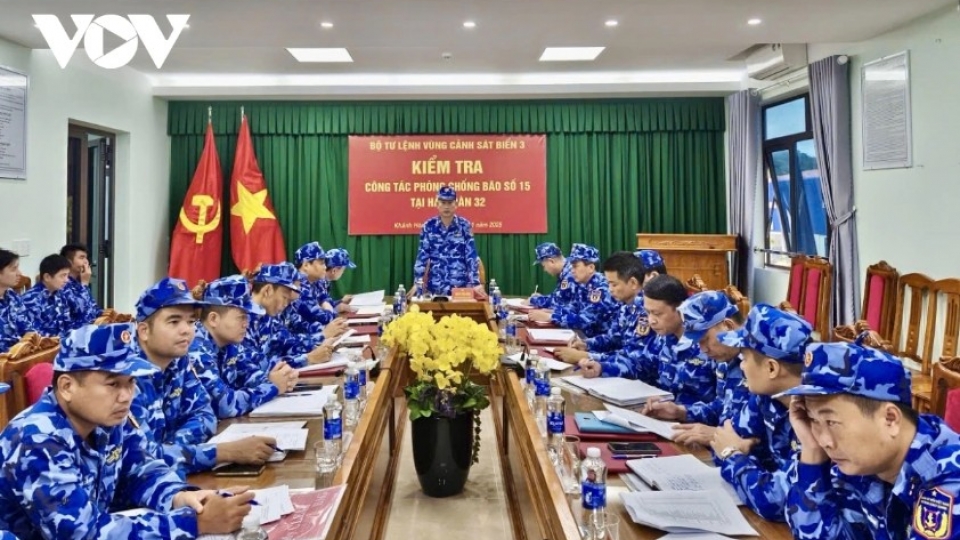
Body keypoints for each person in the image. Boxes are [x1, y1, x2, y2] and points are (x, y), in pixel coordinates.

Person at [0, 323, 254, 538]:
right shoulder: (36, 439)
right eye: (113, 384)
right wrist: (194, 523)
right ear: (66, 387)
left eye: (131, 382)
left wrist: (181, 497)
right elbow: (81, 533)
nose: (126, 396)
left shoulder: (108, 418)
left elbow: (142, 469)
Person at [783, 340, 960, 539]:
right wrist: (812, 451)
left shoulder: (947, 483)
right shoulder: (861, 461)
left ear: (890, 419)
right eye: (814, 420)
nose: (825, 441)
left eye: (832, 422)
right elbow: (815, 534)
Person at [130, 278, 278, 476]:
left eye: (191, 321)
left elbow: (205, 415)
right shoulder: (124, 377)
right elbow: (144, 459)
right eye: (174, 321)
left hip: (170, 479)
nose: (186, 329)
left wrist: (172, 447)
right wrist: (224, 452)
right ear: (144, 331)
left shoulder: (178, 360)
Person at [707, 303, 811, 521]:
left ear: (771, 368)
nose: (742, 367)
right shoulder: (766, 395)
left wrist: (733, 456)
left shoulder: (817, 415)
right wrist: (739, 453)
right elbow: (724, 438)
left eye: (744, 358)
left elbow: (775, 501)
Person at [644, 291, 750, 447]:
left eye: (705, 340)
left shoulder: (760, 364)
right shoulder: (726, 357)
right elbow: (722, 406)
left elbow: (774, 438)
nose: (703, 349)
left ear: (728, 326)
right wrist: (681, 411)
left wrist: (715, 434)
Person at [191, 275, 298, 419]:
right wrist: (273, 387)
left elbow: (255, 375)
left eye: (247, 317)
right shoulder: (196, 349)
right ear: (213, 319)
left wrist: (284, 377)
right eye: (241, 317)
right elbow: (226, 405)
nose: (246, 324)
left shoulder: (230, 344)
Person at [557, 251, 658, 384]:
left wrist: (587, 356)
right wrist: (586, 344)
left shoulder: (648, 310)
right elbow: (612, 339)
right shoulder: (625, 306)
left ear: (633, 283)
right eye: (608, 284)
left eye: (614, 284)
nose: (610, 289)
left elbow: (635, 360)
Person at [242, 263, 334, 382]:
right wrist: (308, 358)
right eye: (284, 298)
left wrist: (318, 342)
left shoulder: (267, 316)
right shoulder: (244, 321)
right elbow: (255, 370)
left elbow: (288, 343)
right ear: (268, 290)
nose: (286, 304)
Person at [641, 275, 716, 408]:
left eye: (657, 314)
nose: (651, 320)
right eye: (648, 313)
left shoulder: (709, 343)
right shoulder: (664, 335)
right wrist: (602, 366)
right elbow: (642, 364)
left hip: (697, 422)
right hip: (664, 416)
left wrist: (681, 412)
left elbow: (722, 405)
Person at [528, 243, 618, 338]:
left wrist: (550, 317)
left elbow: (585, 321)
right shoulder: (584, 284)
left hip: (598, 342)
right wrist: (553, 312)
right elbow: (574, 308)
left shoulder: (600, 289)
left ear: (591, 268)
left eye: (575, 266)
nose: (572, 271)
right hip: (584, 338)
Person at [412, 186, 482, 296]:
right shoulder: (428, 226)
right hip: (435, 289)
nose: (446, 207)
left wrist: (475, 283)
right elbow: (422, 258)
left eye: (450, 203)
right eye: (443, 202)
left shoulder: (465, 226)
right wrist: (417, 282)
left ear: (456, 204)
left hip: (460, 290)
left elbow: (471, 257)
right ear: (437, 204)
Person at [283, 242, 346, 336]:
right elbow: (325, 318)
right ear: (306, 266)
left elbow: (326, 300)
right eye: (321, 263)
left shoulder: (314, 282)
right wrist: (329, 308)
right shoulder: (299, 286)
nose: (325, 267)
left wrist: (326, 305)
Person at [20, 254, 84, 337]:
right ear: (47, 277)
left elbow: (70, 322)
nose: (67, 280)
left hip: (64, 343)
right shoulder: (31, 299)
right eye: (62, 276)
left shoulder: (60, 294)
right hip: (47, 347)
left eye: (67, 275)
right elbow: (35, 335)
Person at [59, 243, 103, 322]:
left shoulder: (78, 283)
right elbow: (80, 311)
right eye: (81, 258)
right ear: (68, 262)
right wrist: (85, 284)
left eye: (86, 258)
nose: (86, 262)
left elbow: (94, 309)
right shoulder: (62, 284)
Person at [0, 249, 34, 351]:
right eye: (14, 269)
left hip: (20, 356)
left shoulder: (12, 295)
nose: (19, 273)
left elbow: (28, 329)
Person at [527, 243, 575, 309]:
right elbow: (559, 296)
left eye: (544, 266)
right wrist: (542, 297)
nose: (545, 270)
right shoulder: (565, 269)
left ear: (551, 261)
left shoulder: (571, 273)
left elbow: (560, 302)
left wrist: (533, 300)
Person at [322, 248, 356, 314]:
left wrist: (341, 301)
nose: (343, 273)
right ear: (334, 270)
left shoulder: (326, 281)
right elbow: (316, 312)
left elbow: (327, 303)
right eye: (343, 270)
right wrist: (339, 308)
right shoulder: (319, 282)